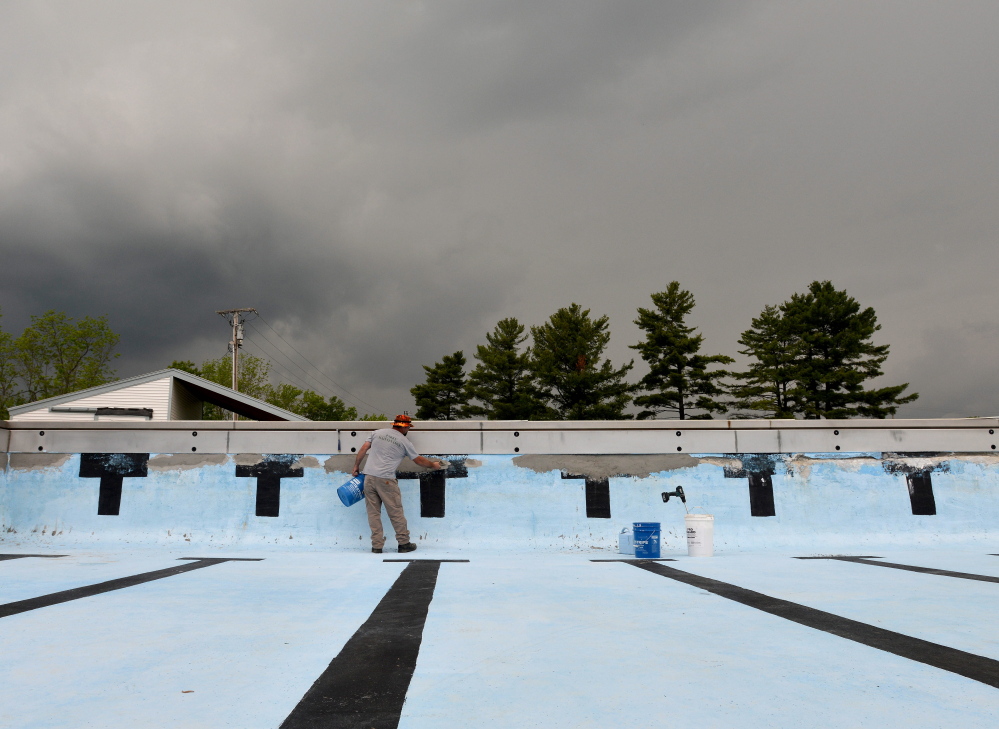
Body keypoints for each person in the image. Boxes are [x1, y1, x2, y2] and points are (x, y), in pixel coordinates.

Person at [352, 414, 444, 553]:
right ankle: (404, 543)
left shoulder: (377, 433)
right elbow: (418, 460)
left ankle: (377, 546)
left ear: (394, 424)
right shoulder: (404, 441)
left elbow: (363, 449)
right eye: (408, 428)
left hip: (368, 477)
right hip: (386, 480)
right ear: (405, 427)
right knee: (395, 512)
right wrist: (433, 465)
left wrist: (356, 466)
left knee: (373, 513)